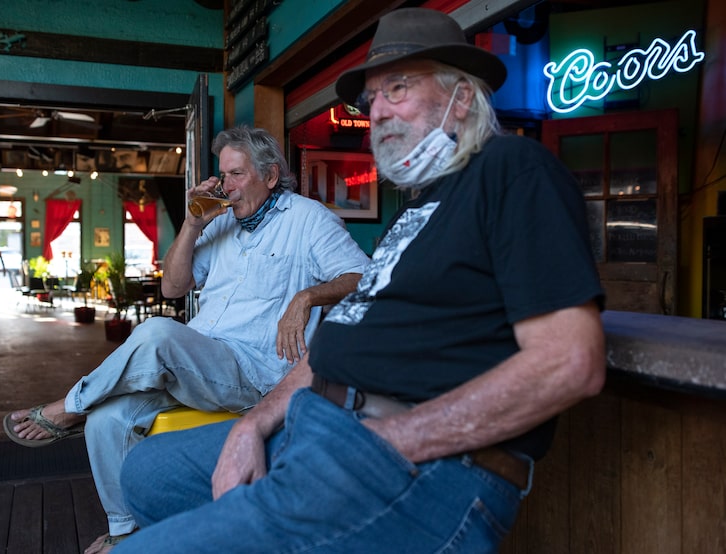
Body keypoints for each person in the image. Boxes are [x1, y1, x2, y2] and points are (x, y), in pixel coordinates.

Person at [115, 8, 607, 553]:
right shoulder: (417, 209)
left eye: (398, 88)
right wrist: (252, 426)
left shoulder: (512, 169)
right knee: (146, 473)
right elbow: (333, 341)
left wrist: (387, 441)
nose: (379, 112)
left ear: (460, 99)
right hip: (312, 425)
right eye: (372, 101)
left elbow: (570, 362)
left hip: (413, 461)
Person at [3, 126, 369, 553]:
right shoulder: (220, 223)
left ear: (270, 176)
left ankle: (68, 408)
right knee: (107, 419)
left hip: (254, 372)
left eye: (236, 175)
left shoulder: (307, 218)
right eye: (223, 175)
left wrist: (306, 296)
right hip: (199, 363)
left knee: (157, 332)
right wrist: (192, 224)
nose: (226, 186)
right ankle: (125, 531)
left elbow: (364, 276)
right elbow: (173, 289)